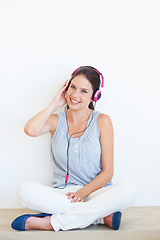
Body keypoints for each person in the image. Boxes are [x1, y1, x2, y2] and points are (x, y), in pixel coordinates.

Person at [11, 66, 139, 232]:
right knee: (24, 190)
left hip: (97, 192)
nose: (75, 95)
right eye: (73, 87)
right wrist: (55, 103)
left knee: (131, 188)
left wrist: (82, 193)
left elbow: (108, 172)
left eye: (84, 91)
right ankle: (99, 216)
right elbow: (30, 130)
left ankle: (50, 223)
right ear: (66, 87)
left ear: (95, 96)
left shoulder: (102, 121)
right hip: (64, 195)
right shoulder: (56, 121)